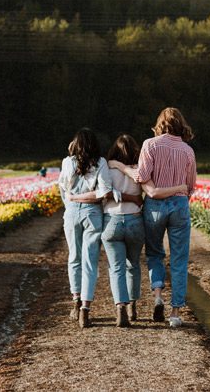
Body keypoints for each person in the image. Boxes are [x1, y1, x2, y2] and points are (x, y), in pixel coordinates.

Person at [70, 134, 186, 327]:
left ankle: (120, 308)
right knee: (133, 265)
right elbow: (142, 195)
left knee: (116, 268)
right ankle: (133, 305)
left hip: (111, 221)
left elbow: (104, 193)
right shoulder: (139, 171)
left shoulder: (107, 168)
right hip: (134, 222)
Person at [112, 107, 196, 328]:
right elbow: (191, 186)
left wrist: (120, 167)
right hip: (179, 205)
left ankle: (158, 295)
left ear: (160, 124)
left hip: (155, 206)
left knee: (155, 253)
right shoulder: (188, 151)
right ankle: (176, 312)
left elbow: (141, 176)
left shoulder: (150, 144)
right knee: (179, 259)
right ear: (181, 125)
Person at [58, 128, 141, 328]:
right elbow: (103, 192)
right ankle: (85, 309)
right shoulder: (101, 163)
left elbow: (63, 190)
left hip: (71, 213)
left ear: (75, 144)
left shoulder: (67, 162)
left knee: (74, 258)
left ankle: (76, 301)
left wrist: (73, 200)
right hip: (93, 214)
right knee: (89, 262)